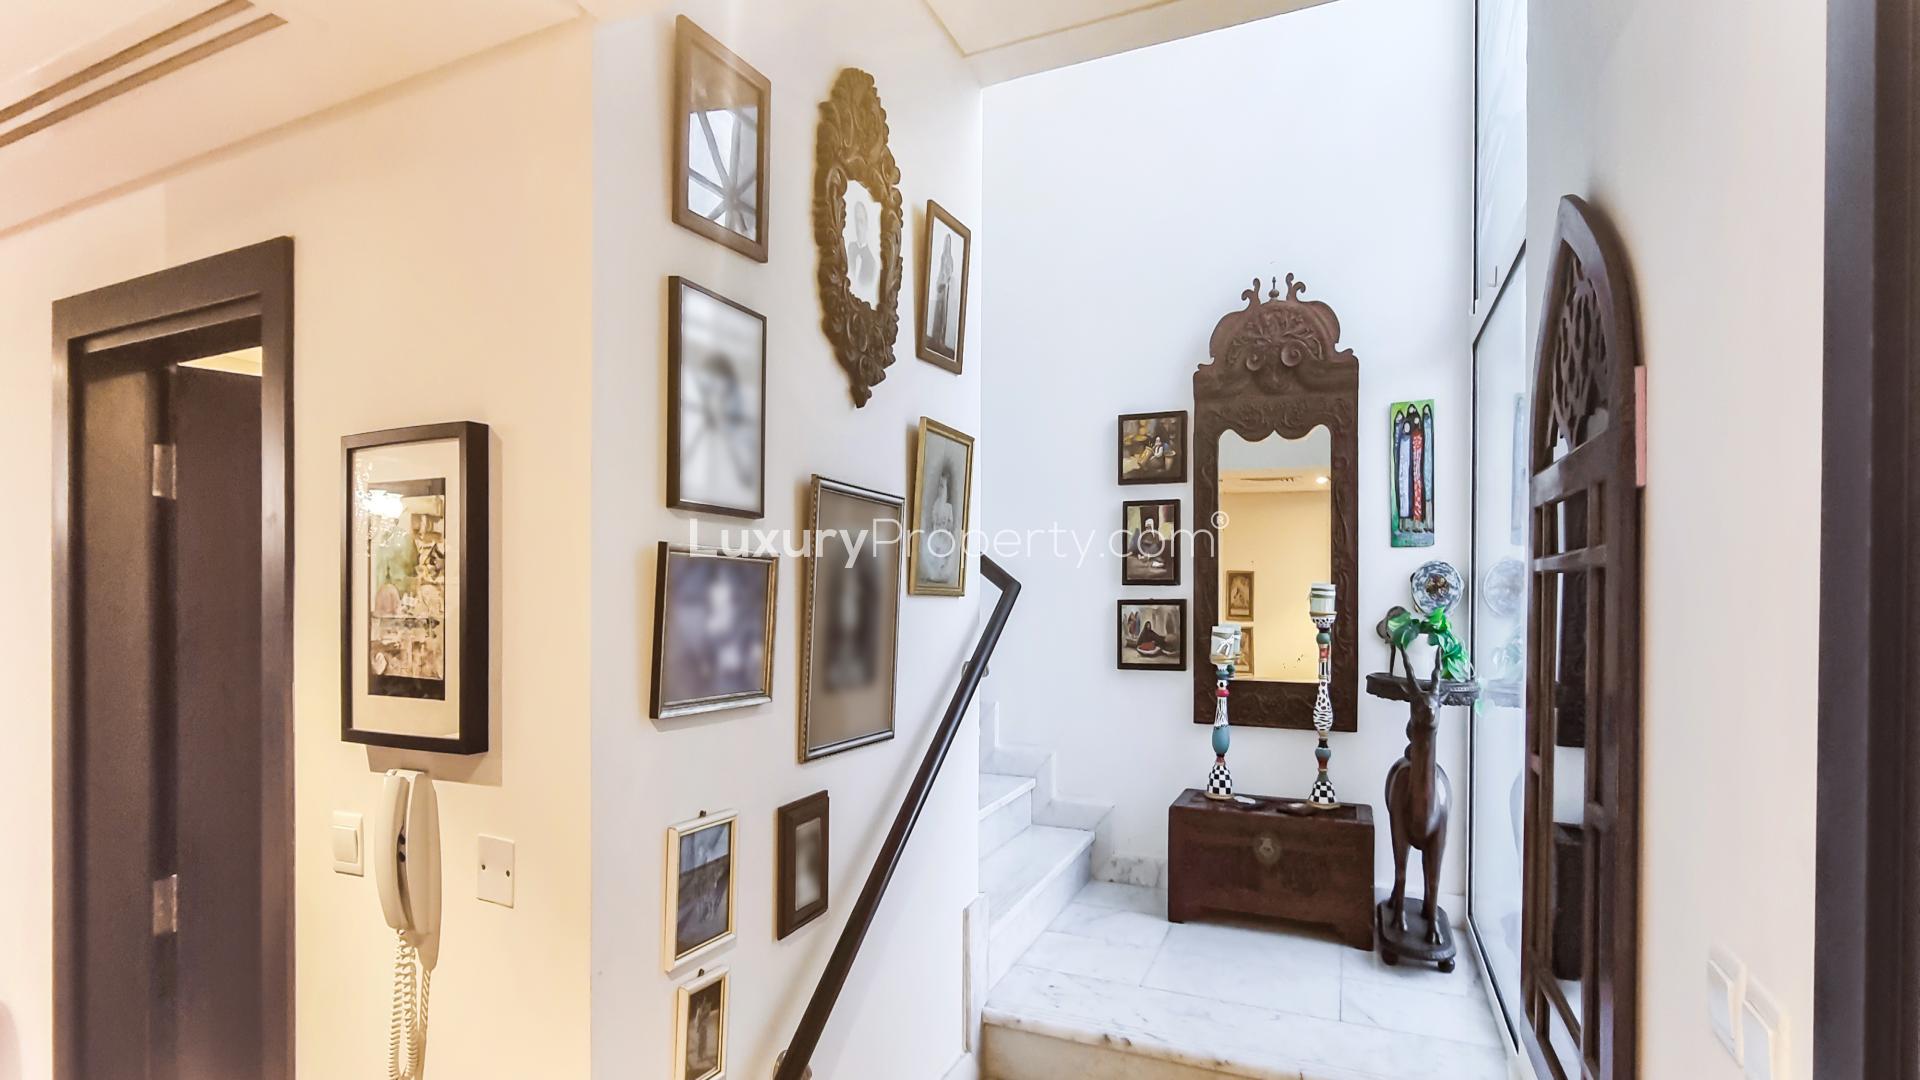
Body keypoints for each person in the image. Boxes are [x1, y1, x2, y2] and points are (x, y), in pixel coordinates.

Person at [929, 233, 956, 353]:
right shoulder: (943, 257)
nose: (947, 244)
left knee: (943, 314)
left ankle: (941, 339)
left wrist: (947, 279)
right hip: (941, 286)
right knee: (938, 312)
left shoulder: (949, 259)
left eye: (948, 242)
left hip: (946, 288)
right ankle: (936, 338)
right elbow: (941, 271)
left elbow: (949, 272)